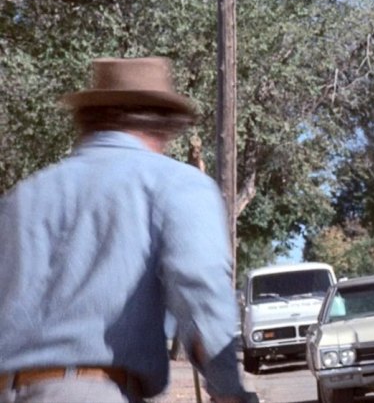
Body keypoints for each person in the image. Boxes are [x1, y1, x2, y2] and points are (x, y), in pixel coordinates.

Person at [0, 57, 256, 403]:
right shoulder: (175, 184)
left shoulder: (23, 196)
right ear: (164, 126)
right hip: (92, 391)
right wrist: (228, 390)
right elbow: (203, 290)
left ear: (88, 121)